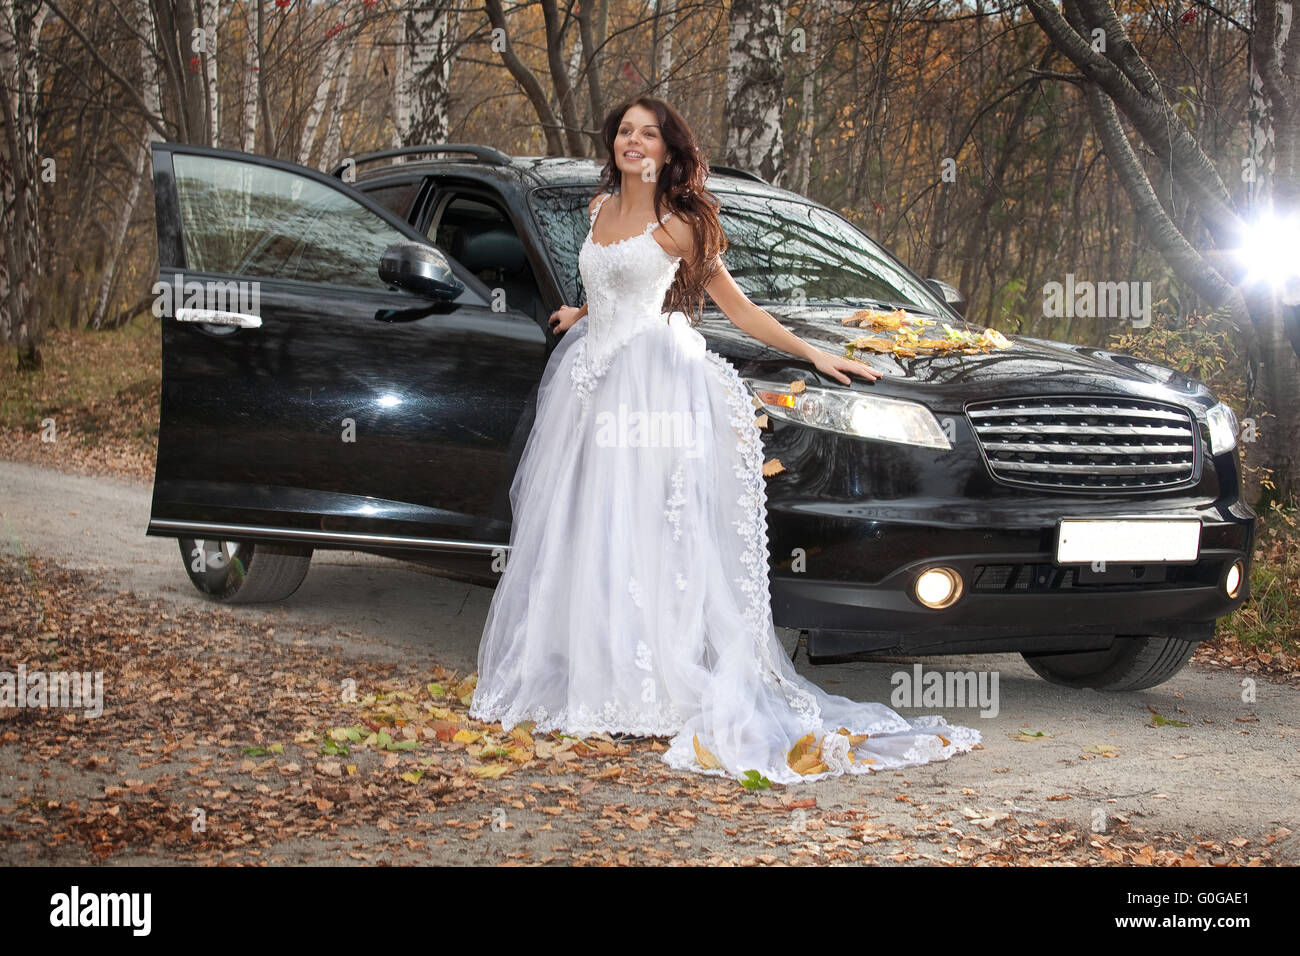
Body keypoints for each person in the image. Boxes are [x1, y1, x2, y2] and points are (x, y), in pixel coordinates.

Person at [468, 95, 980, 784]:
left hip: (654, 383)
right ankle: (598, 674)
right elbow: (617, 276)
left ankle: (654, 683)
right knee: (593, 527)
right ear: (612, 143)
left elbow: (739, 310)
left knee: (652, 532)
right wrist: (581, 307)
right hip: (593, 380)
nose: (634, 142)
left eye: (649, 133)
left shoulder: (680, 224)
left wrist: (815, 355)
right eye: (625, 131)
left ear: (669, 148)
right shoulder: (596, 210)